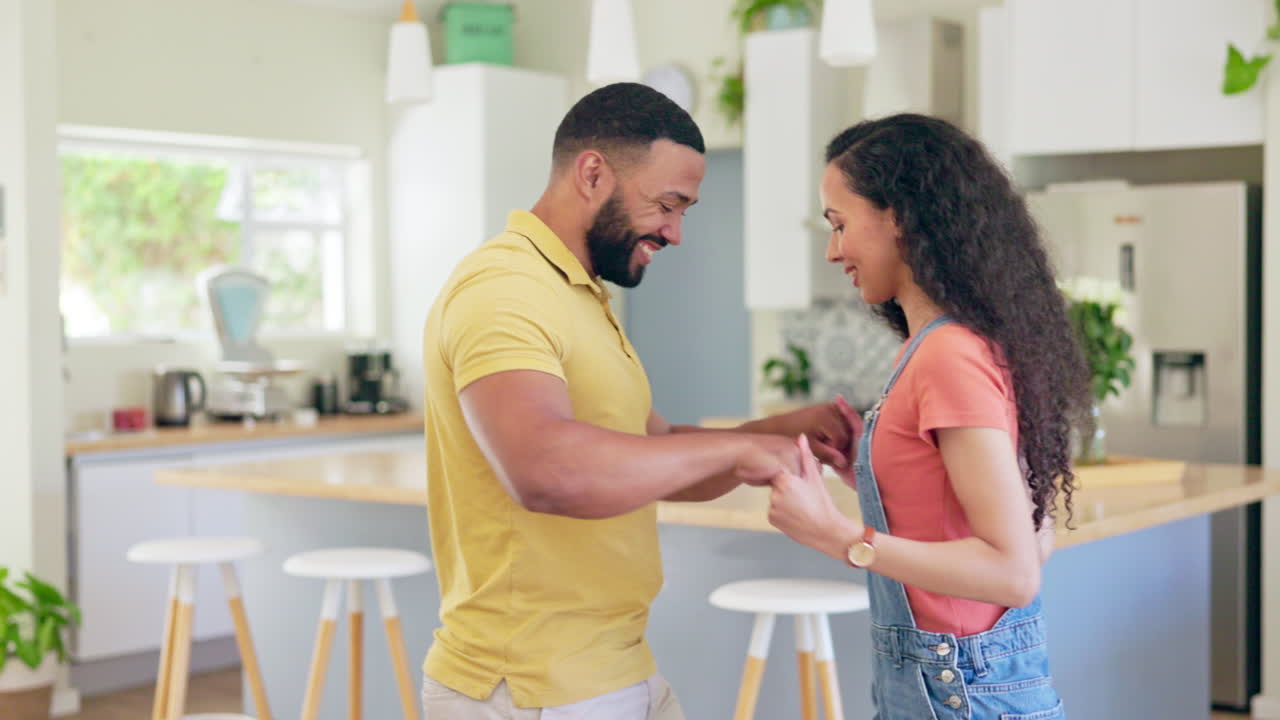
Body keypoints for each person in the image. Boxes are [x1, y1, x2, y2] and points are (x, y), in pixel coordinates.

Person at [419, 82, 855, 719]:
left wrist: (782, 434)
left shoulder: (580, 294)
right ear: (592, 172)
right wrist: (741, 446)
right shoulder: (503, 289)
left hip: (614, 666)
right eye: (667, 204)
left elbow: (649, 453)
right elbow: (545, 471)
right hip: (532, 685)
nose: (676, 233)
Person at [765, 114, 1090, 720]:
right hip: (960, 682)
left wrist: (842, 537)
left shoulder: (947, 355)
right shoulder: (958, 342)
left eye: (840, 225)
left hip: (958, 690)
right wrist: (874, 467)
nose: (834, 250)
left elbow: (1014, 571)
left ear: (900, 216)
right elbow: (1029, 536)